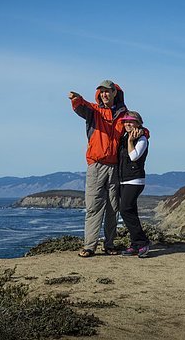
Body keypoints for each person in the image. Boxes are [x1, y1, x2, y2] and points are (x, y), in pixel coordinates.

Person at [68, 80, 127, 257]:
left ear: (115, 93)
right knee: (94, 207)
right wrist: (76, 99)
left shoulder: (123, 114)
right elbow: (81, 106)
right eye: (101, 92)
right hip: (96, 165)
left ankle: (109, 244)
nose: (104, 94)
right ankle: (89, 246)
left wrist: (144, 133)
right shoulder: (93, 111)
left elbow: (137, 125)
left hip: (115, 167)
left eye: (107, 91)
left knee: (113, 208)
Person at [118, 111, 150, 258]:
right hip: (124, 180)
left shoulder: (141, 139)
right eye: (125, 122)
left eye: (131, 121)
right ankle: (135, 244)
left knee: (125, 210)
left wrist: (131, 141)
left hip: (135, 180)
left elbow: (134, 156)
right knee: (131, 212)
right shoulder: (124, 137)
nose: (127, 124)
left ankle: (142, 242)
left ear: (138, 123)